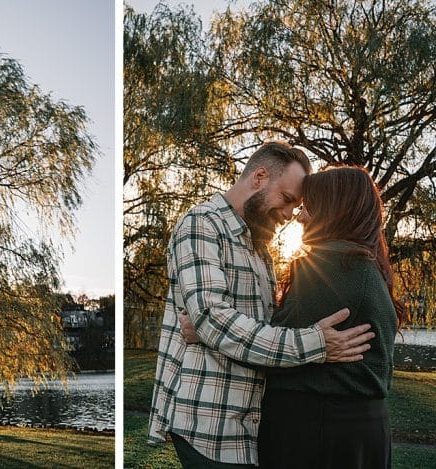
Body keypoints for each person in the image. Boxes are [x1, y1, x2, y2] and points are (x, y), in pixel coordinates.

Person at [148, 142, 375, 468]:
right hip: (212, 424)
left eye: (295, 208)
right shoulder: (201, 225)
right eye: (286, 200)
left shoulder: (260, 247)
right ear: (259, 176)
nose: (288, 216)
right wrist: (316, 343)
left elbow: (259, 322)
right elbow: (214, 318)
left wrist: (203, 329)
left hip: (253, 426)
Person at [257, 166, 404, 468]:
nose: (299, 216)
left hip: (317, 428)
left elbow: (268, 349)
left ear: (333, 209)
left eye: (309, 206)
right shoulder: (367, 265)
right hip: (358, 427)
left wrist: (205, 330)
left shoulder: (331, 265)